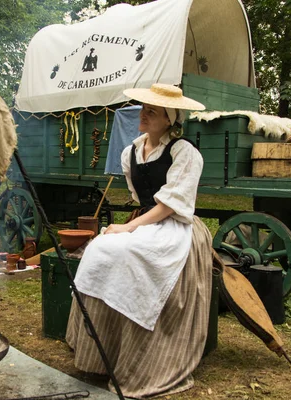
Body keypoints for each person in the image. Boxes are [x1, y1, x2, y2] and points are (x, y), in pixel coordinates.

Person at [66, 83, 214, 398]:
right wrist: (128, 227)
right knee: (100, 249)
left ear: (170, 119)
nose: (143, 114)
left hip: (175, 225)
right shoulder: (131, 150)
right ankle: (100, 353)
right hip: (148, 221)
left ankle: (140, 352)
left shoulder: (185, 152)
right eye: (144, 108)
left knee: (131, 252)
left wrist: (128, 228)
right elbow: (141, 199)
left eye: (152, 111)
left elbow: (169, 206)